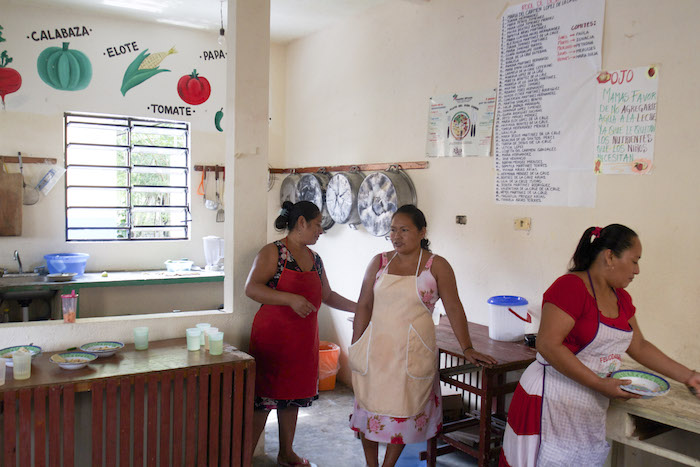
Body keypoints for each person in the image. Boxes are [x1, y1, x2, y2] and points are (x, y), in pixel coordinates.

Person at [500, 224, 700, 467]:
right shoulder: (571, 287)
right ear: (610, 256)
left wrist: (689, 376)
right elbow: (548, 345)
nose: (637, 270)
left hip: (588, 403)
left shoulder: (621, 298)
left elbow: (639, 346)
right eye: (635, 260)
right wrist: (598, 383)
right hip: (550, 399)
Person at [349, 204, 497, 467]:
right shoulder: (379, 262)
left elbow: (453, 306)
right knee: (369, 411)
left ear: (422, 231)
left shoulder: (436, 265)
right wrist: (356, 345)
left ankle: (387, 466)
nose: (397, 236)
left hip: (412, 353)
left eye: (404, 230)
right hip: (376, 351)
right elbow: (364, 305)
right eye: (393, 230)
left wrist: (467, 347)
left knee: (404, 412)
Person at [245, 200, 356, 467]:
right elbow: (252, 288)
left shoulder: (315, 260)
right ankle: (242, 458)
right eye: (317, 224)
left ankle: (286, 453)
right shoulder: (274, 252)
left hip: (303, 340)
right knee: (263, 399)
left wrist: (361, 307)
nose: (321, 230)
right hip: (273, 339)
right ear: (302, 223)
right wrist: (289, 299)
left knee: (292, 398)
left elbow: (326, 295)